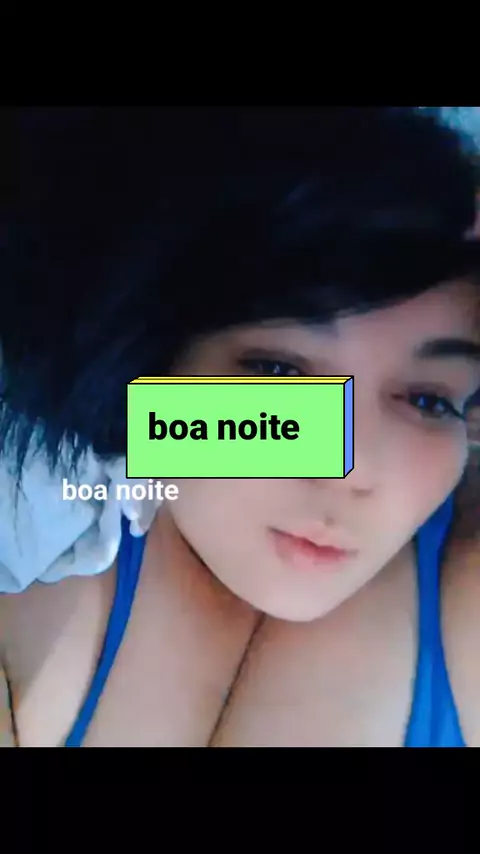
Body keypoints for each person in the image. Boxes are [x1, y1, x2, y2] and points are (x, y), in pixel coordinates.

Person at [0, 106, 479, 747]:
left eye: (428, 400)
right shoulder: (42, 538)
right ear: (159, 356)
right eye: (279, 372)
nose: (348, 471)